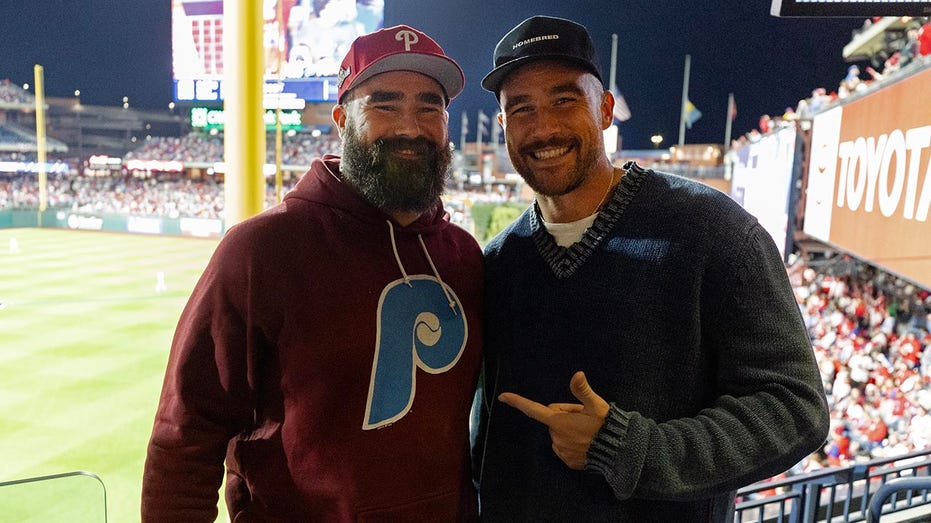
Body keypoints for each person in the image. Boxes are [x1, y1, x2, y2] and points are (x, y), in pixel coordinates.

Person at [472, 16, 831, 521]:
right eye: (521, 108)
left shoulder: (714, 231)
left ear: (605, 110)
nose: (544, 127)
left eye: (564, 100)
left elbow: (795, 410)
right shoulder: (498, 262)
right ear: (504, 125)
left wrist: (624, 448)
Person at [142, 25, 483, 522]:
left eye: (430, 107)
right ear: (342, 120)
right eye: (384, 105)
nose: (411, 127)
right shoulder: (261, 249)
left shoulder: (465, 258)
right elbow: (185, 436)